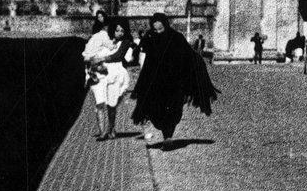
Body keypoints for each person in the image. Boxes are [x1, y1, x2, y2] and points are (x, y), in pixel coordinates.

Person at [130, 12, 218, 146]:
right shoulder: (150, 37)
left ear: (166, 25)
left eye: (161, 29)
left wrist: (199, 62)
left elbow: (189, 54)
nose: (158, 32)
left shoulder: (176, 37)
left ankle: (168, 137)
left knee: (173, 108)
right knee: (155, 108)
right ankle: (163, 131)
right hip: (155, 80)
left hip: (174, 81)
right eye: (156, 29)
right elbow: (140, 50)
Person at [83, 16, 130, 141]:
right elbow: (93, 54)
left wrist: (101, 59)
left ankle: (111, 128)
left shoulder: (125, 42)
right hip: (101, 74)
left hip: (115, 75)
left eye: (122, 31)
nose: (119, 33)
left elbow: (118, 55)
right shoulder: (104, 40)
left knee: (111, 105)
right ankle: (103, 131)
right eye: (117, 30)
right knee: (100, 103)